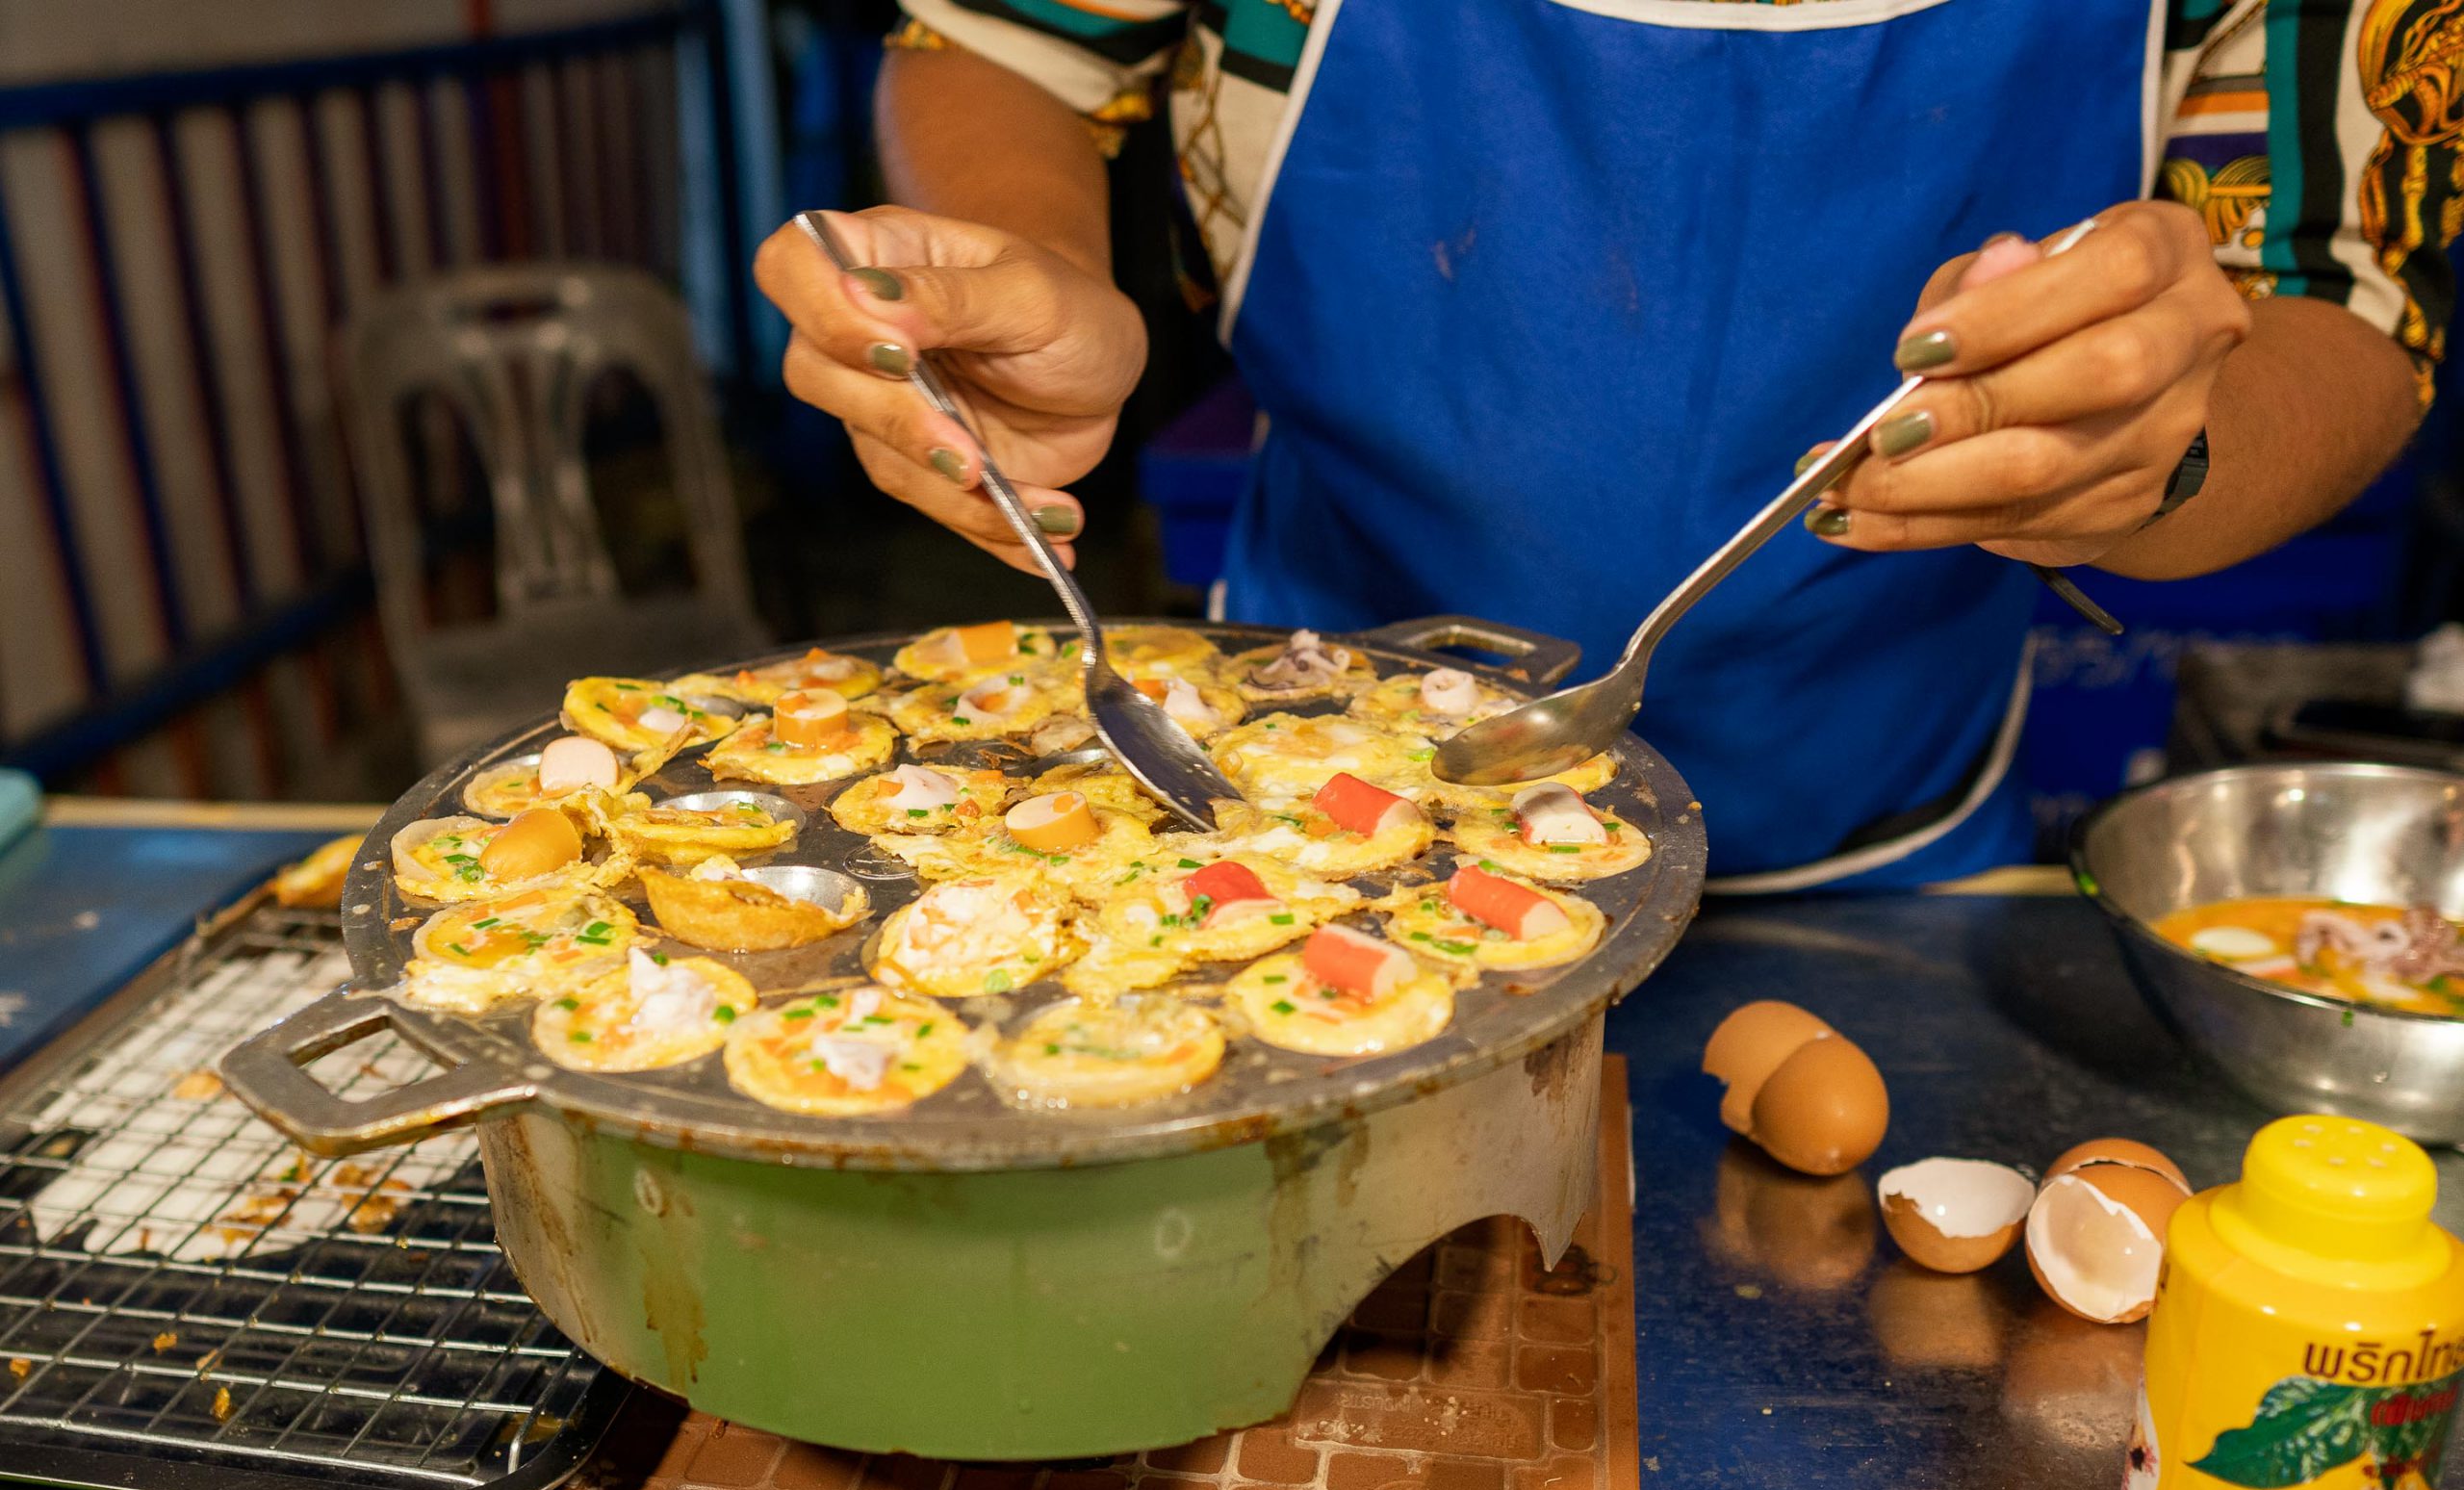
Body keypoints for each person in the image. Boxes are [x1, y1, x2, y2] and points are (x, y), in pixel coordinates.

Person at [756, 0, 2462, 888]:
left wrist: (2154, 453)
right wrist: (1034, 271)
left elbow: (2343, 299)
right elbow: (1005, 53)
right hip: (1277, 801)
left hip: (1888, 835)